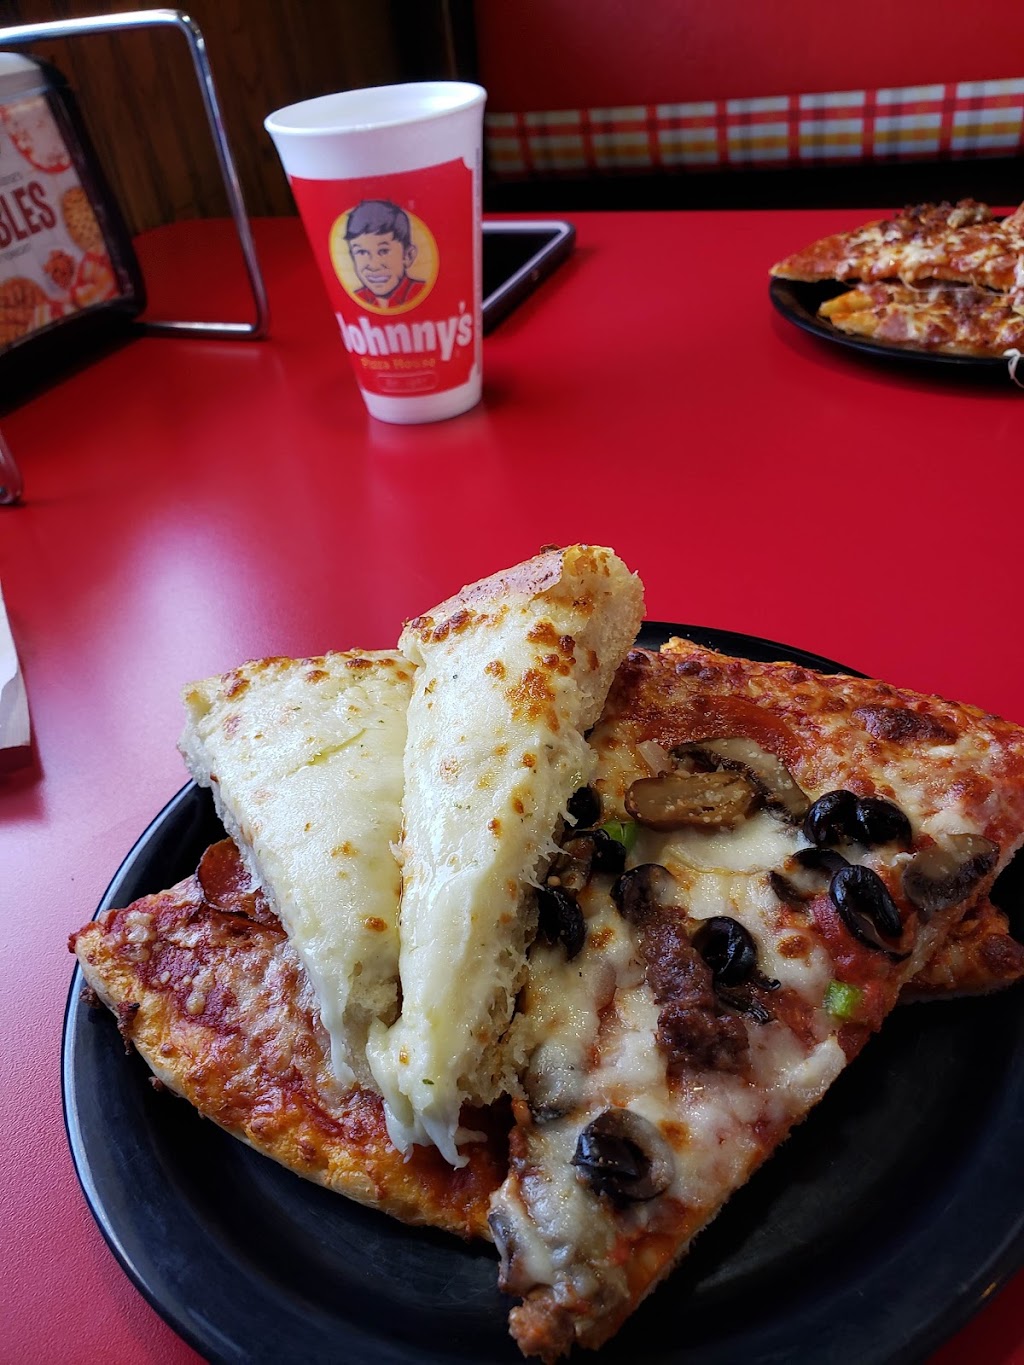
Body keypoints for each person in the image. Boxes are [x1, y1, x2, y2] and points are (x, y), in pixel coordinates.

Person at [344, 200, 426, 308]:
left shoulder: (420, 291)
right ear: (352, 257)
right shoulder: (357, 297)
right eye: (362, 252)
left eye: (383, 251)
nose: (374, 266)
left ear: (408, 256)